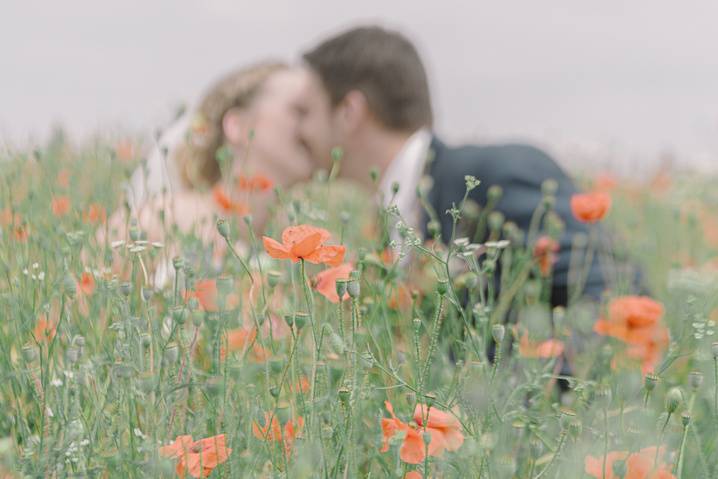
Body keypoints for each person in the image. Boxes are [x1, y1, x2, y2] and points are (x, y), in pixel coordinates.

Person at [296, 25, 608, 307]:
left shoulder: (498, 172)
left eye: (305, 112)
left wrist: (533, 369)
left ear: (349, 111)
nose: (299, 131)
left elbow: (608, 293)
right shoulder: (382, 224)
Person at [108, 61, 314, 248]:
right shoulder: (157, 222)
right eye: (299, 110)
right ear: (237, 125)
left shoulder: (303, 243)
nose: (315, 126)